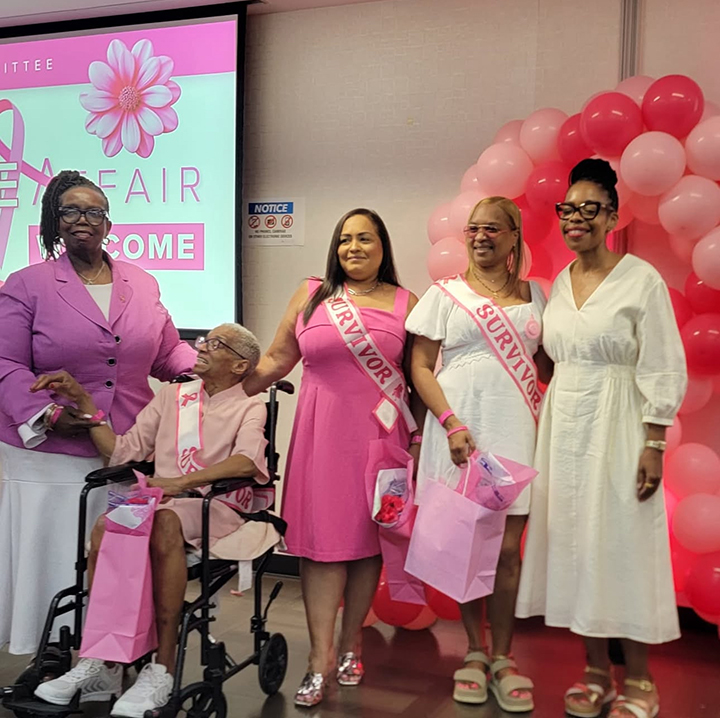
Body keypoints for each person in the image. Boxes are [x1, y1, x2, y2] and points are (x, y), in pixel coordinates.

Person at [30, 324, 281, 718]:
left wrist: (181, 482)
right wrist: (83, 400)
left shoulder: (250, 406)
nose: (201, 347)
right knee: (108, 524)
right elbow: (124, 451)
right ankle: (103, 661)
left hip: (215, 506)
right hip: (164, 504)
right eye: (203, 341)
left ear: (239, 366)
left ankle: (162, 668)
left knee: (163, 521)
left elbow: (247, 461)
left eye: (216, 344)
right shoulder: (172, 397)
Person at [516, 159, 687, 718]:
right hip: (565, 427)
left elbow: (662, 362)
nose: (576, 218)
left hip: (621, 426)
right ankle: (594, 671)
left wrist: (654, 443)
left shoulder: (640, 279)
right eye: (568, 209)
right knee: (575, 544)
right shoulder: (558, 286)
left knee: (622, 545)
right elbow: (551, 361)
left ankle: (639, 679)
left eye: (590, 208)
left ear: (612, 217)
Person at [0, 171, 197, 656]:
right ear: (54, 221)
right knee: (56, 558)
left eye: (93, 212)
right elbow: (5, 362)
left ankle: (110, 655)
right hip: (50, 451)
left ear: (109, 223)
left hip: (124, 447)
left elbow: (167, 354)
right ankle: (54, 651)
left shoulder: (141, 282)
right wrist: (48, 414)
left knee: (118, 558)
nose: (82, 220)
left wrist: (211, 368)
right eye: (70, 211)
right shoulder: (26, 284)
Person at [243, 208, 424, 707]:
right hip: (321, 435)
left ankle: (351, 643)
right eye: (345, 239)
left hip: (380, 437)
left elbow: (420, 378)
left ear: (383, 247)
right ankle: (319, 657)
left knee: (366, 544)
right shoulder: (311, 293)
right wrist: (223, 390)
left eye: (365, 238)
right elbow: (277, 359)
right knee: (322, 545)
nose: (354, 248)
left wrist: (415, 443)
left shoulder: (407, 302)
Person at [407, 196, 548, 713]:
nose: (481, 237)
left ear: (514, 236)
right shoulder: (445, 294)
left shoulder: (537, 295)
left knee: (508, 550)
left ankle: (504, 656)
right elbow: (421, 367)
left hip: (517, 428)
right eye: (473, 229)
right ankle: (473, 650)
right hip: (460, 431)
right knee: (468, 542)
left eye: (493, 228)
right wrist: (450, 422)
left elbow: (550, 364)